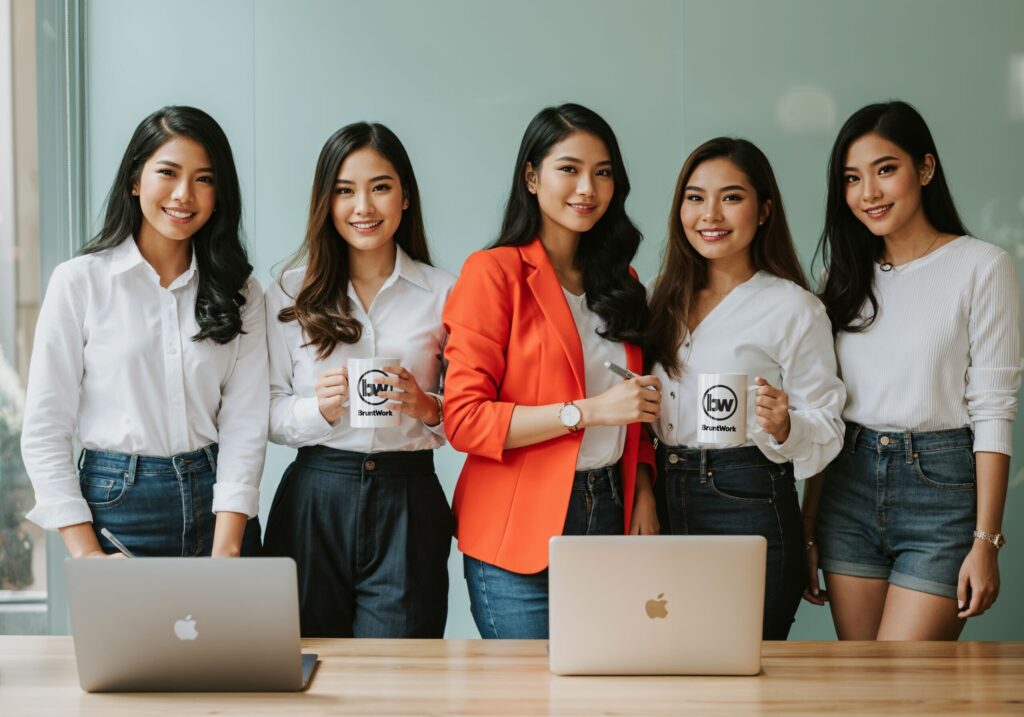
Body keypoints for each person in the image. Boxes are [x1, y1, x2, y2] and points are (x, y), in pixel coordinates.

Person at [443, 103, 660, 639]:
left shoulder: (623, 282)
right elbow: (465, 420)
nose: (588, 188)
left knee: (607, 680)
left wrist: (643, 490)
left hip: (611, 511)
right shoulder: (493, 273)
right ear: (532, 177)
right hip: (516, 528)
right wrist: (586, 413)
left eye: (603, 172)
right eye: (569, 169)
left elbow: (638, 403)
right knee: (527, 686)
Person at [805, 100, 1020, 640]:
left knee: (903, 679)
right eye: (852, 178)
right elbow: (824, 406)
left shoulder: (982, 267)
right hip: (846, 487)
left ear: (924, 169)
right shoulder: (841, 277)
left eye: (885, 169)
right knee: (862, 679)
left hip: (939, 494)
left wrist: (986, 541)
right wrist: (808, 527)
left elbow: (994, 408)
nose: (869, 193)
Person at [21, 106, 265, 558]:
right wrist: (87, 554)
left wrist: (228, 548)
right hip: (118, 507)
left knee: (235, 612)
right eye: (168, 173)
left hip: (221, 506)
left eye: (204, 179)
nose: (184, 194)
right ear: (136, 181)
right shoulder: (80, 282)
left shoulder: (242, 291)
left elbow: (245, 422)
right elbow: (45, 428)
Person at [646, 137, 845, 639]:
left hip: (746, 498)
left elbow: (827, 425)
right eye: (695, 197)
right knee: (664, 659)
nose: (710, 214)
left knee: (743, 663)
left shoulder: (794, 308)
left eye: (731, 197)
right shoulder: (655, 299)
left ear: (764, 210)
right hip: (659, 498)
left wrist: (785, 426)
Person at [263, 122, 454, 638]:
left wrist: (427, 406)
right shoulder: (289, 292)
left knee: (399, 669)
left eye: (380, 187)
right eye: (345, 190)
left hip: (409, 497)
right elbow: (266, 410)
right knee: (303, 659)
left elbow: (472, 412)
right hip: (315, 495)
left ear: (406, 196)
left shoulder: (445, 294)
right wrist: (316, 409)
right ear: (326, 202)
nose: (363, 207)